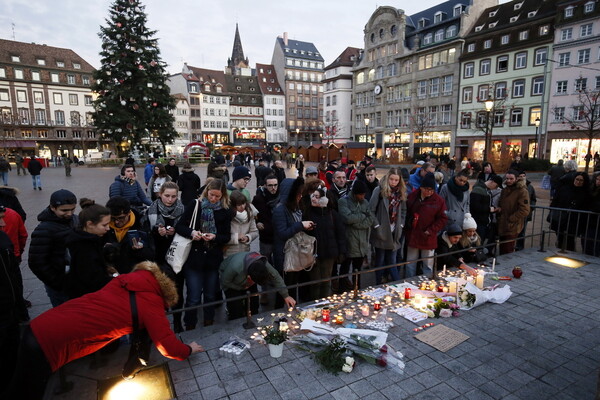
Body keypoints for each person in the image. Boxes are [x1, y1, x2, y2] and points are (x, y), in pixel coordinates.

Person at [5, 261, 204, 400]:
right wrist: (189, 349)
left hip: (42, 325)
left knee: (14, 381)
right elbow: (168, 347)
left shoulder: (127, 279)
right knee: (25, 393)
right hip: (48, 345)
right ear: (168, 289)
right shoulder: (151, 304)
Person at [175, 178, 231, 329]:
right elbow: (179, 226)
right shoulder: (195, 205)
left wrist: (215, 237)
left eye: (217, 196)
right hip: (194, 259)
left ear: (223, 196)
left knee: (210, 295)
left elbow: (227, 236)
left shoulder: (225, 210)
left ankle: (208, 322)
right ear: (206, 192)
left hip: (212, 259)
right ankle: (190, 325)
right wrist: (192, 232)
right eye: (211, 195)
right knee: (193, 297)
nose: (213, 199)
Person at [28, 189, 78, 307]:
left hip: (76, 280)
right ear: (52, 208)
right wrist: (57, 283)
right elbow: (36, 262)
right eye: (64, 210)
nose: (69, 214)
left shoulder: (75, 220)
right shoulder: (43, 230)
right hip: (60, 285)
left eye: (72, 209)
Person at [272, 177, 314, 304]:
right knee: (285, 290)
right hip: (285, 255)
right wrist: (301, 225)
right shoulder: (280, 209)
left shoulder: (294, 207)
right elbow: (282, 233)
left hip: (296, 253)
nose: (300, 197)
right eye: (298, 194)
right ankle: (281, 316)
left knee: (294, 285)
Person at [0, 206, 28, 391]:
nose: (3, 223)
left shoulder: (2, 237)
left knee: (12, 350)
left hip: (10, 307)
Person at [220, 252, 296, 320]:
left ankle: (253, 321)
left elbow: (276, 277)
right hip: (232, 283)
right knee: (236, 310)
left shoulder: (262, 264)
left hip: (248, 279)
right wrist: (240, 288)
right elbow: (225, 281)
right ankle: (236, 324)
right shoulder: (235, 267)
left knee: (253, 305)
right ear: (249, 277)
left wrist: (286, 295)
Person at [302, 187, 346, 299]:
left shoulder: (333, 214)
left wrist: (342, 252)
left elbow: (340, 234)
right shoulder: (307, 213)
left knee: (326, 281)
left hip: (329, 254)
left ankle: (324, 305)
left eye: (317, 197)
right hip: (313, 254)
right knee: (315, 282)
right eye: (313, 196)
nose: (313, 199)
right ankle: (314, 304)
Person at [64, 199, 113, 299]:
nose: (108, 228)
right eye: (104, 225)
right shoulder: (83, 248)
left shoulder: (90, 238)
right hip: (87, 297)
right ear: (89, 224)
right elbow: (93, 280)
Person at [404, 173, 448, 278]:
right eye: (426, 189)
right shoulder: (412, 197)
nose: (429, 192)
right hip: (413, 235)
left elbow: (443, 218)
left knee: (427, 265)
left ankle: (426, 283)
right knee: (410, 263)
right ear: (421, 188)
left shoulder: (438, 201)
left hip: (428, 237)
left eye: (431, 190)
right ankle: (409, 283)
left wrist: (431, 230)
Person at [369, 168, 406, 284]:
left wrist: (401, 224)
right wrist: (377, 226)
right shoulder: (379, 190)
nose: (393, 182)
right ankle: (378, 283)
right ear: (388, 178)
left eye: (396, 180)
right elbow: (371, 210)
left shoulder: (401, 192)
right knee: (380, 259)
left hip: (395, 230)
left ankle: (397, 283)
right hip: (382, 230)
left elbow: (404, 210)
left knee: (392, 260)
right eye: (391, 179)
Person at [338, 180, 376, 291]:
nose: (362, 197)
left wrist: (357, 223)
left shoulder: (365, 202)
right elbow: (348, 218)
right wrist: (362, 216)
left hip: (362, 243)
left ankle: (356, 290)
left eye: (364, 194)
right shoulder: (343, 201)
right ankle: (342, 290)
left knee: (357, 270)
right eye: (360, 194)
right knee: (344, 269)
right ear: (355, 193)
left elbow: (371, 219)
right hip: (349, 242)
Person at [105, 196, 155, 274]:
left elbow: (151, 254)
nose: (116, 222)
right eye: (113, 218)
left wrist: (138, 250)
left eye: (120, 218)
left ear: (129, 213)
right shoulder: (105, 227)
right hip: (113, 274)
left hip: (134, 274)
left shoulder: (141, 225)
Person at [146, 182, 185, 267]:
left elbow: (186, 229)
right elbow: (146, 231)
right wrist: (157, 231)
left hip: (176, 253)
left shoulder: (182, 209)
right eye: (167, 196)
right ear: (160, 194)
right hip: (157, 252)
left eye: (173, 196)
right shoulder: (152, 209)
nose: (170, 199)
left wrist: (175, 230)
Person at [550, 172, 590, 251]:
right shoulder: (565, 189)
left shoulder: (585, 193)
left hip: (574, 222)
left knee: (570, 241)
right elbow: (556, 201)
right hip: (561, 219)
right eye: (577, 179)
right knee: (560, 238)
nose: (578, 182)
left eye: (581, 180)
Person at [497, 170, 530, 254]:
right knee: (502, 249)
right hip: (502, 223)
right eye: (507, 178)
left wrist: (511, 219)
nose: (508, 181)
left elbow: (525, 210)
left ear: (516, 179)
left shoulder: (522, 191)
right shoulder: (505, 190)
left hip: (512, 225)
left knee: (508, 250)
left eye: (511, 179)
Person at [470, 175, 502, 252]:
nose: (495, 188)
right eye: (496, 186)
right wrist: (490, 209)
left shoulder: (484, 189)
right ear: (492, 182)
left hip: (482, 221)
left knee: (479, 242)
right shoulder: (479, 190)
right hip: (479, 221)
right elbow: (475, 206)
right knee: (477, 242)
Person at [252, 174, 280, 264]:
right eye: (270, 185)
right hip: (266, 237)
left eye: (275, 185)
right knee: (266, 261)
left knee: (279, 261)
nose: (273, 188)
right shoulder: (258, 199)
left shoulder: (281, 198)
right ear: (265, 185)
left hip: (279, 236)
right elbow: (252, 214)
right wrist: (257, 222)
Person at [223, 191, 258, 258]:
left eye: (243, 203)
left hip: (245, 252)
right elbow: (223, 237)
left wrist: (248, 237)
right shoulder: (228, 216)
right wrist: (236, 237)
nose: (242, 207)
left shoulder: (250, 214)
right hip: (229, 253)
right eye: (239, 205)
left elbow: (255, 232)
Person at [516, 171, 537, 251]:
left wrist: (531, 208)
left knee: (522, 232)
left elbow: (533, 199)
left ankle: (520, 247)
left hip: (525, 214)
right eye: (520, 176)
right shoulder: (515, 186)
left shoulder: (530, 187)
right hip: (517, 212)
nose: (521, 178)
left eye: (523, 176)